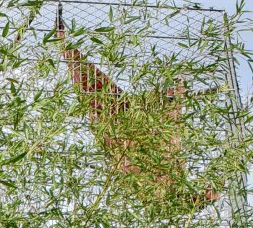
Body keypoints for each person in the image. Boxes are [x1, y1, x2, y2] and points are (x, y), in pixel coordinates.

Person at [54, 5, 218, 209]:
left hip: (123, 133)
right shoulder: (166, 168)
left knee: (91, 87)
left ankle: (63, 40)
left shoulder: (159, 182)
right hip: (129, 127)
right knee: (91, 84)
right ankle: (64, 40)